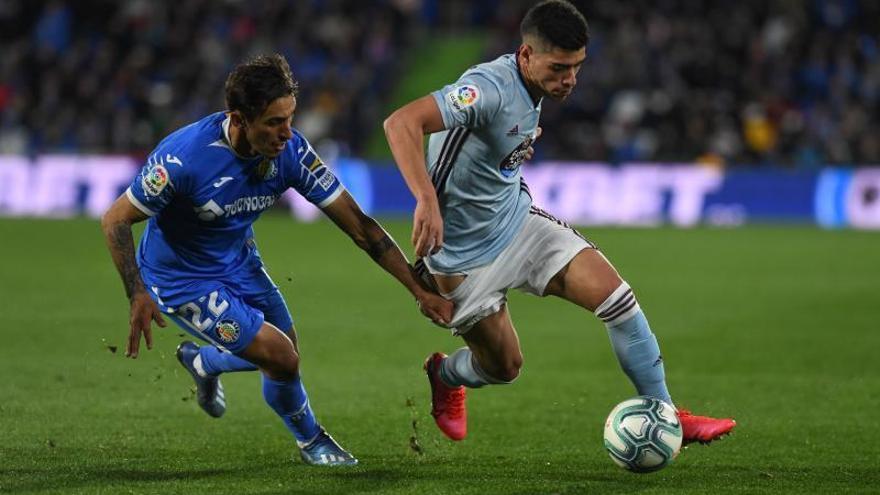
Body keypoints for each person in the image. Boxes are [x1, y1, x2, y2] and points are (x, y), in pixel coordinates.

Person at [383, 0, 735, 444]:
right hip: (460, 259)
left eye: (577, 67)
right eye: (558, 67)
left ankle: (666, 413)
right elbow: (401, 123)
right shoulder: (487, 87)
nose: (569, 79)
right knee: (504, 368)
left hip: (519, 225)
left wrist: (512, 150)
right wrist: (426, 199)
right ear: (525, 55)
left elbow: (493, 140)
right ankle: (446, 373)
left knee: (619, 301)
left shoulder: (533, 89)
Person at [101, 53, 453, 466]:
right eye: (273, 122)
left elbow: (361, 228)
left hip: (237, 259)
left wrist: (418, 291)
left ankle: (202, 360)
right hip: (180, 276)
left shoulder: (291, 153)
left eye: (290, 118)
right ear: (239, 119)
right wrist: (137, 292)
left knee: (286, 356)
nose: (287, 133)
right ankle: (313, 442)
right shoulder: (184, 159)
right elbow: (115, 220)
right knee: (282, 357)